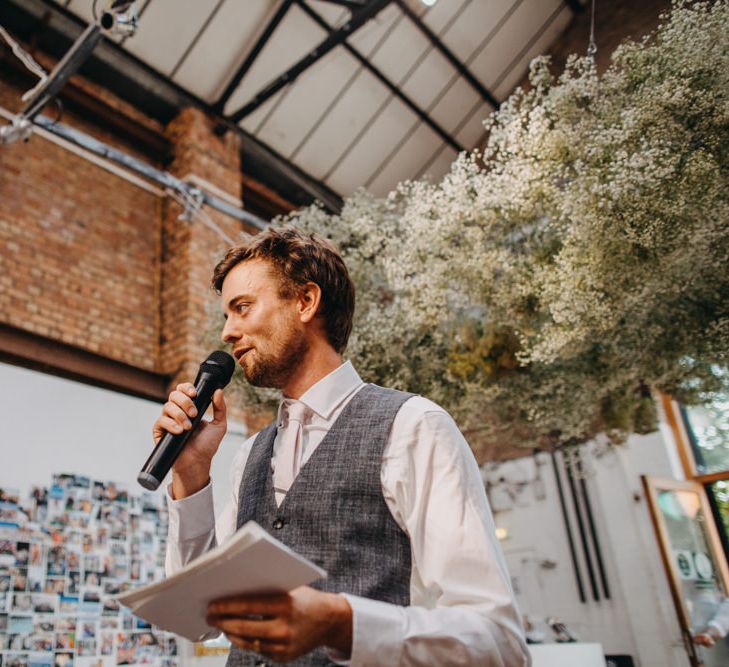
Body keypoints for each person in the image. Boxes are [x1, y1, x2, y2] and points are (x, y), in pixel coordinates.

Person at [157, 227, 529, 666]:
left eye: (242, 308)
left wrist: (344, 623)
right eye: (226, 316)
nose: (227, 332)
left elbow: (498, 642)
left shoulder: (414, 427)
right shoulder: (249, 455)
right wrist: (191, 475)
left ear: (305, 302)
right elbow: (200, 618)